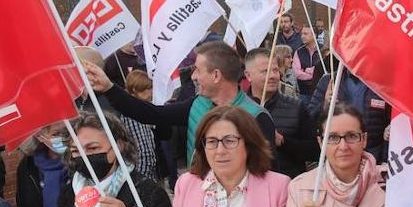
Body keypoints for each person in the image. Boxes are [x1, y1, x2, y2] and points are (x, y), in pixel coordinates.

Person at [85, 41, 276, 165]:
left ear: (216, 75)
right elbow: (151, 114)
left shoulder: (256, 117)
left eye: (198, 70)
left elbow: (265, 174)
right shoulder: (197, 105)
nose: (193, 76)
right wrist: (109, 88)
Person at [152, 106, 290, 207]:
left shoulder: (278, 187)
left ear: (250, 144)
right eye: (212, 142)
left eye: (229, 141)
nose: (220, 150)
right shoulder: (186, 184)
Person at [32, 112, 173, 207]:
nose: (84, 156)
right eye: (76, 151)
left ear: (118, 146)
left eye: (92, 148)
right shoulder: (70, 192)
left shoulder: (148, 192)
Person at [279, 104, 388, 207]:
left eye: (351, 136)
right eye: (333, 137)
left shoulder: (388, 183)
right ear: (320, 142)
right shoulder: (301, 188)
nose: (343, 146)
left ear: (364, 140)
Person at [72, 47, 158, 181]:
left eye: (71, 67)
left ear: (88, 68)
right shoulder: (75, 104)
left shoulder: (118, 101)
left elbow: (143, 152)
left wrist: (137, 187)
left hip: (126, 186)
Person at [244, 48, 318, 178]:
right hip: (250, 186)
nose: (272, 76)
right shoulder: (238, 110)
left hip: (289, 186)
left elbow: (315, 150)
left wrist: (283, 142)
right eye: (265, 71)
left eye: (275, 70)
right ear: (248, 75)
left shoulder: (296, 107)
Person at [309, 69, 391, 162]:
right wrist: (325, 104)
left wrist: (389, 131)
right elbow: (311, 118)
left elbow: (393, 117)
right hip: (340, 151)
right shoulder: (329, 81)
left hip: (374, 154)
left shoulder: (383, 83)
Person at [15, 122, 71, 207]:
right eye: (56, 134)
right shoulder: (27, 166)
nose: (62, 138)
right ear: (40, 136)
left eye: (66, 133)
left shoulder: (79, 160)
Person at [293, 26, 325, 99]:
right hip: (303, 93)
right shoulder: (298, 52)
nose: (302, 36)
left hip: (320, 94)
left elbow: (324, 71)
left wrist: (305, 70)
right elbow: (297, 73)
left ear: (314, 35)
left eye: (305, 34)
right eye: (302, 34)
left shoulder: (323, 50)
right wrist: (315, 74)